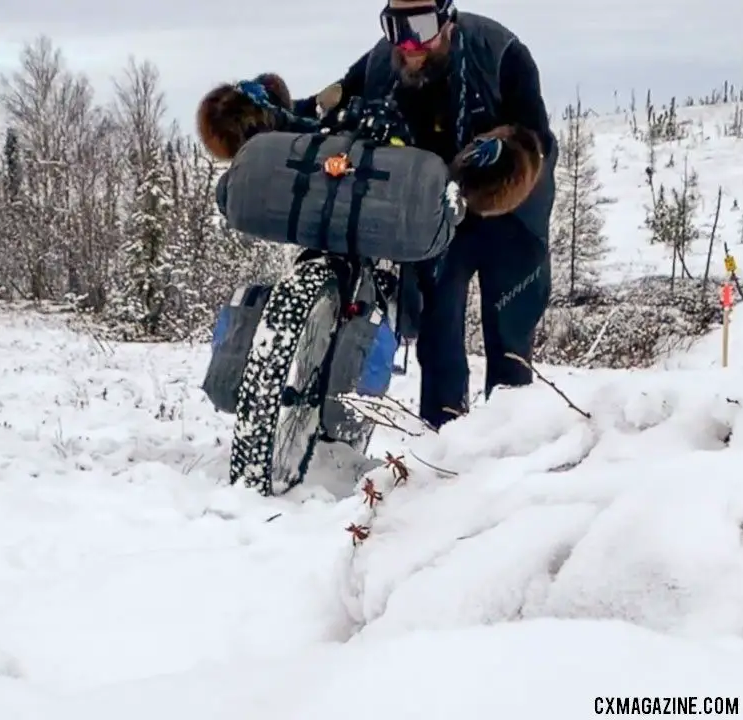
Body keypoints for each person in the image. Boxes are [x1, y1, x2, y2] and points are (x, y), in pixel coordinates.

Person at [196, 0, 558, 430]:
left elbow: (536, 138)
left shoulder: (500, 53)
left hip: (510, 213)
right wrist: (262, 116)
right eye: (394, 26)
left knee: (510, 335)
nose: (408, 44)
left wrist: (503, 159)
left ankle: (510, 442)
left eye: (420, 27)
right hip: (435, 212)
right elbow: (327, 106)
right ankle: (443, 442)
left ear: (447, 21)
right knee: (439, 335)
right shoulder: (381, 64)